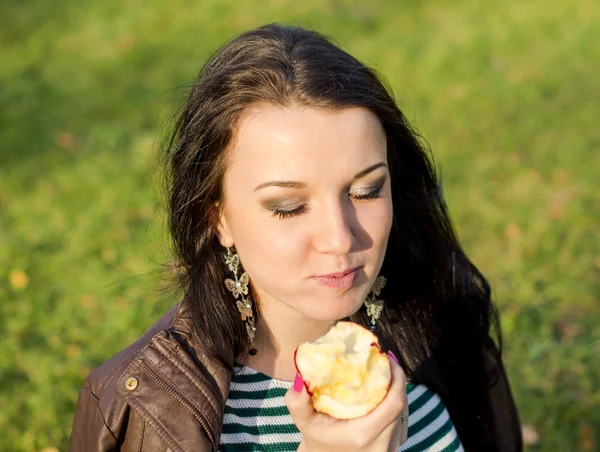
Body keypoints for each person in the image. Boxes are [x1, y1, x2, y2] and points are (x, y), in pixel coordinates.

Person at [69, 23, 523, 451]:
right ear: (218, 218)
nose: (340, 238)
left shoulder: (439, 341)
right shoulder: (151, 408)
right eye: (289, 206)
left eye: (366, 191)